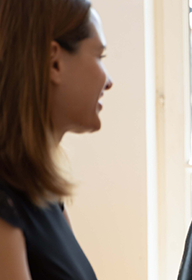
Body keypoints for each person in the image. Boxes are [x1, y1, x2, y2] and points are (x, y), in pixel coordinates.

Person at [0, 0, 113, 279]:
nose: (108, 81)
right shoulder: (6, 200)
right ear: (54, 62)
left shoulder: (43, 189)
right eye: (99, 56)